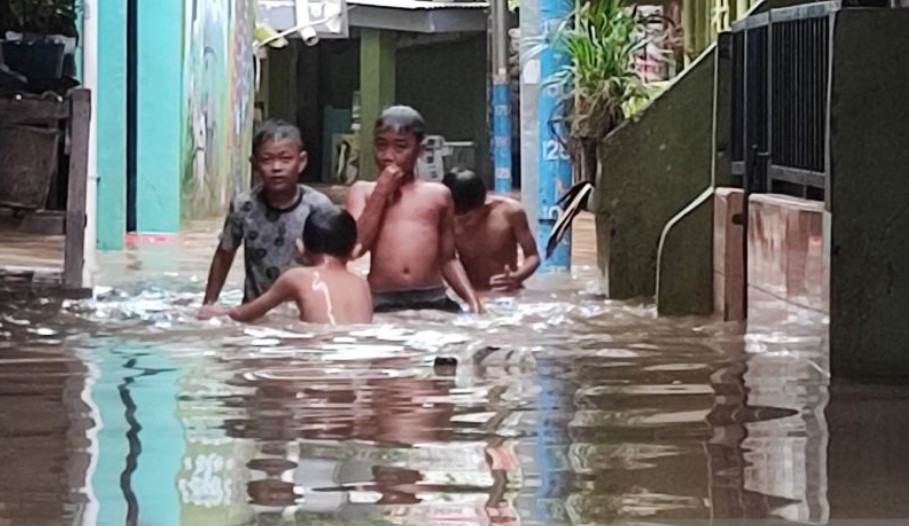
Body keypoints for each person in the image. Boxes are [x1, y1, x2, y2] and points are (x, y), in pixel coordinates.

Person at [345, 106, 481, 313]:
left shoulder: (438, 194)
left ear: (420, 149)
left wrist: (473, 300)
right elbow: (355, 248)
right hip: (382, 297)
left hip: (432, 295)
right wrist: (380, 193)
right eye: (381, 145)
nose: (388, 156)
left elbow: (448, 259)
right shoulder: (362, 191)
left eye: (400, 147)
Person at [198, 119, 333, 314]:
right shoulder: (244, 206)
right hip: (254, 311)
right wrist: (209, 303)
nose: (276, 167)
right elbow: (225, 253)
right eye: (267, 160)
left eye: (285, 159)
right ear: (254, 164)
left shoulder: (318, 206)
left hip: (303, 311)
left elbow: (332, 263)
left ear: (301, 162)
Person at [198, 206, 372, 324]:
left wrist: (220, 312)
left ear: (301, 247)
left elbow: (247, 314)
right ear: (354, 250)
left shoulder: (297, 277)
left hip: (320, 354)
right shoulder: (362, 283)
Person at [442, 169, 540, 292]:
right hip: (469, 292)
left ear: (483, 203)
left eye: (468, 216)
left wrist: (516, 277)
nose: (465, 222)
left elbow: (532, 256)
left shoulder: (510, 212)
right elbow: (445, 261)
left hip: (506, 292)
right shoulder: (444, 217)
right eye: (457, 215)